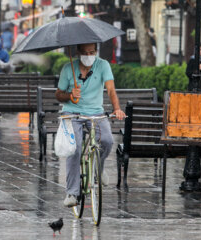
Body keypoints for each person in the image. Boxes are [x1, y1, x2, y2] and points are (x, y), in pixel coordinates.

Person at [55, 43, 126, 207]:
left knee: (107, 140)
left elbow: (111, 90)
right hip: (72, 113)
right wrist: (70, 95)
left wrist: (117, 109)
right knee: (75, 148)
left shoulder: (103, 65)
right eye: (85, 52)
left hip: (95, 112)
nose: (89, 55)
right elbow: (58, 94)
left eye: (92, 52)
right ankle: (72, 192)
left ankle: (97, 170)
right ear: (78, 52)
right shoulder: (68, 68)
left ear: (96, 52)